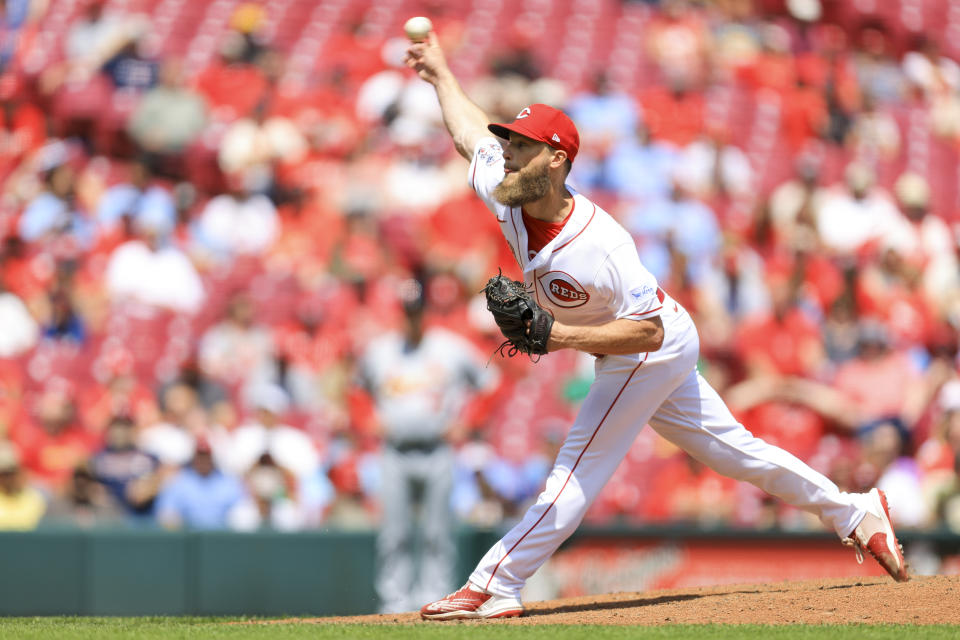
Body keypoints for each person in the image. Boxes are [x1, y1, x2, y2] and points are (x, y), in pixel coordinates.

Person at [404, 29, 909, 621]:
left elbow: (648, 333)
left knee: (577, 465)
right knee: (735, 452)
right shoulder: (506, 188)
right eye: (509, 141)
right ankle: (856, 511)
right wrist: (440, 73)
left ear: (558, 160)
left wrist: (557, 335)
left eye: (522, 145)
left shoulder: (601, 245)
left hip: (650, 343)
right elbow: (468, 134)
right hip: (639, 340)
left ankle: (495, 583)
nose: (507, 151)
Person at [357, 278, 495, 614]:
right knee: (394, 534)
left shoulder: (449, 348)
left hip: (437, 449)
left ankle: (435, 597)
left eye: (416, 312)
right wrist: (366, 420)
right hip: (395, 451)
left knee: (437, 534)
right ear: (399, 313)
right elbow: (355, 390)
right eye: (407, 312)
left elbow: (490, 383)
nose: (412, 318)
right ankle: (394, 604)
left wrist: (468, 422)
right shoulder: (381, 350)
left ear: (426, 312)